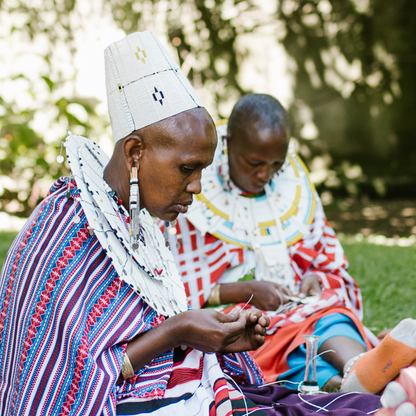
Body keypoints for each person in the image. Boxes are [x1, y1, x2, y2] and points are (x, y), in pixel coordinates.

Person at [0, 31, 395, 416]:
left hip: (186, 391)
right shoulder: (68, 230)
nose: (198, 187)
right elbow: (58, 385)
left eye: (203, 170)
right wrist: (179, 330)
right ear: (135, 153)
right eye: (187, 168)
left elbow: (142, 341)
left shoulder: (140, 222)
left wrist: (218, 337)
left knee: (351, 405)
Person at [160, 93, 407, 393]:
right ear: (229, 143)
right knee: (274, 335)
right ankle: (363, 380)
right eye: (253, 163)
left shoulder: (295, 190)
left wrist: (316, 278)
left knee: (325, 313)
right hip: (236, 318)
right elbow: (171, 288)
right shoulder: (188, 192)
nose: (264, 174)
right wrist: (243, 290)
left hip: (301, 307)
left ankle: (358, 369)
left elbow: (329, 263)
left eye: (276, 163)